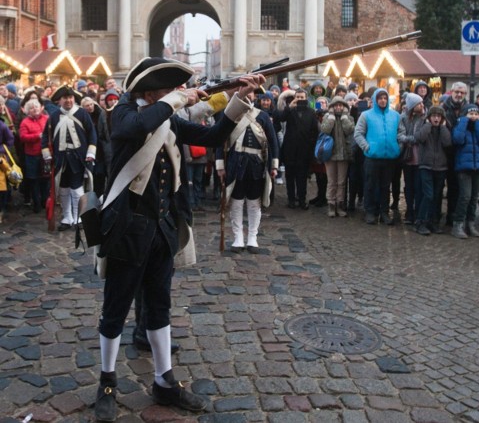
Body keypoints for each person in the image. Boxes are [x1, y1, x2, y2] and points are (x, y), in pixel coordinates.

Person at [93, 57, 264, 421]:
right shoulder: (123, 112)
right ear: (150, 91)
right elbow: (137, 126)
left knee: (159, 308)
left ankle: (164, 379)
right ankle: (107, 382)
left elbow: (213, 136)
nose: (176, 94)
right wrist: (179, 99)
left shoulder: (165, 116)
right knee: (115, 311)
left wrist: (239, 97)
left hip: (162, 228)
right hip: (127, 229)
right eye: (169, 89)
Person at [216, 94, 279, 252]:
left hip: (257, 163)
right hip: (235, 163)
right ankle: (238, 238)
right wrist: (220, 166)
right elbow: (219, 140)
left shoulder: (262, 116)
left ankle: (252, 237)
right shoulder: (229, 116)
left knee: (254, 201)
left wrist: (274, 165)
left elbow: (273, 142)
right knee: (236, 201)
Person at [41, 85, 97, 231]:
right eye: (65, 98)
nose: (68, 101)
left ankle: (78, 217)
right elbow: (45, 136)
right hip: (60, 160)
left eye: (70, 98)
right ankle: (67, 218)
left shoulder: (83, 114)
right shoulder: (53, 116)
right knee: (63, 189)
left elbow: (92, 134)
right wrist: (47, 155)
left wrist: (90, 153)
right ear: (59, 100)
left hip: (78, 159)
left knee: (77, 189)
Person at [353, 88, 405, 225]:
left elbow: (401, 133)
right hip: (372, 157)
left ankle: (384, 212)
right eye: (380, 98)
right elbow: (358, 133)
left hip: (389, 158)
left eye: (385, 98)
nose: (383, 100)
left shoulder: (395, 116)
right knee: (370, 184)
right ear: (375, 100)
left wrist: (398, 147)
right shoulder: (366, 115)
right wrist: (367, 147)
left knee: (385, 186)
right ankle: (370, 211)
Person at [450, 104, 479, 239]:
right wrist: (464, 121)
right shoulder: (460, 126)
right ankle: (457, 224)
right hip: (464, 167)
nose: (473, 116)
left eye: (476, 114)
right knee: (465, 196)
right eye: (471, 114)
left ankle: (470, 223)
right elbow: (457, 139)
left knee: (474, 197)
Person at [275, 89, 318, 209]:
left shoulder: (311, 112)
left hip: (304, 149)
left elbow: (314, 130)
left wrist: (311, 146)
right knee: (289, 176)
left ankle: (302, 199)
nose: (300, 99)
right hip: (290, 149)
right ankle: (291, 199)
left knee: (302, 177)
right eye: (297, 97)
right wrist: (289, 107)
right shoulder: (290, 110)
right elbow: (281, 118)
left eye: (302, 97)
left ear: (306, 98)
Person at [414, 105, 451, 235]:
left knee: (437, 196)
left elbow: (447, 142)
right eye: (434, 116)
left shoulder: (444, 128)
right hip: (426, 166)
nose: (436, 118)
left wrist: (442, 127)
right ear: (429, 117)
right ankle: (421, 221)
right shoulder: (424, 126)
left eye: (439, 116)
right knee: (428, 195)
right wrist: (428, 126)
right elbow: (419, 138)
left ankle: (433, 221)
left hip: (441, 167)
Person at [320, 96, 354, 217]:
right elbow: (325, 130)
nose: (338, 107)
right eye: (336, 105)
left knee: (341, 182)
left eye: (341, 105)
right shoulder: (327, 117)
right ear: (332, 107)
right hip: (330, 154)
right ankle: (331, 204)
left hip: (344, 154)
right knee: (331, 181)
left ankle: (340, 205)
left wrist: (344, 118)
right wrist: (331, 118)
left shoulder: (349, 118)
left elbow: (350, 130)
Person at [442, 82, 468, 227]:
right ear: (451, 92)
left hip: (462, 153)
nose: (459, 94)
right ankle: (440, 216)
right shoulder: (443, 109)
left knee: (458, 188)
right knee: (443, 186)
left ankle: (454, 216)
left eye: (462, 92)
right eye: (457, 92)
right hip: (446, 153)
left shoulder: (469, 109)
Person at [398, 93, 426, 225]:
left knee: (419, 186)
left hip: (421, 157)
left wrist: (411, 139)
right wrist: (414, 139)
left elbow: (422, 136)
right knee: (408, 186)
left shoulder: (425, 118)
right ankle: (409, 211)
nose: (422, 105)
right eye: (419, 103)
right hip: (407, 157)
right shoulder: (403, 117)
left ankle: (418, 212)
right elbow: (400, 136)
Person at [19, 100, 49, 213]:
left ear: (40, 108)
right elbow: (23, 137)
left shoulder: (46, 118)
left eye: (36, 106)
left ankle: (44, 201)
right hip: (32, 155)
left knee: (45, 179)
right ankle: (36, 203)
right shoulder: (25, 122)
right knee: (34, 179)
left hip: (46, 154)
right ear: (27, 111)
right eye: (31, 108)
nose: (34, 109)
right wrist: (37, 136)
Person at [81, 96, 111, 197]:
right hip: (90, 148)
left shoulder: (101, 114)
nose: (90, 107)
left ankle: (100, 195)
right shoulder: (83, 117)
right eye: (87, 106)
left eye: (91, 104)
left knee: (101, 174)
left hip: (101, 149)